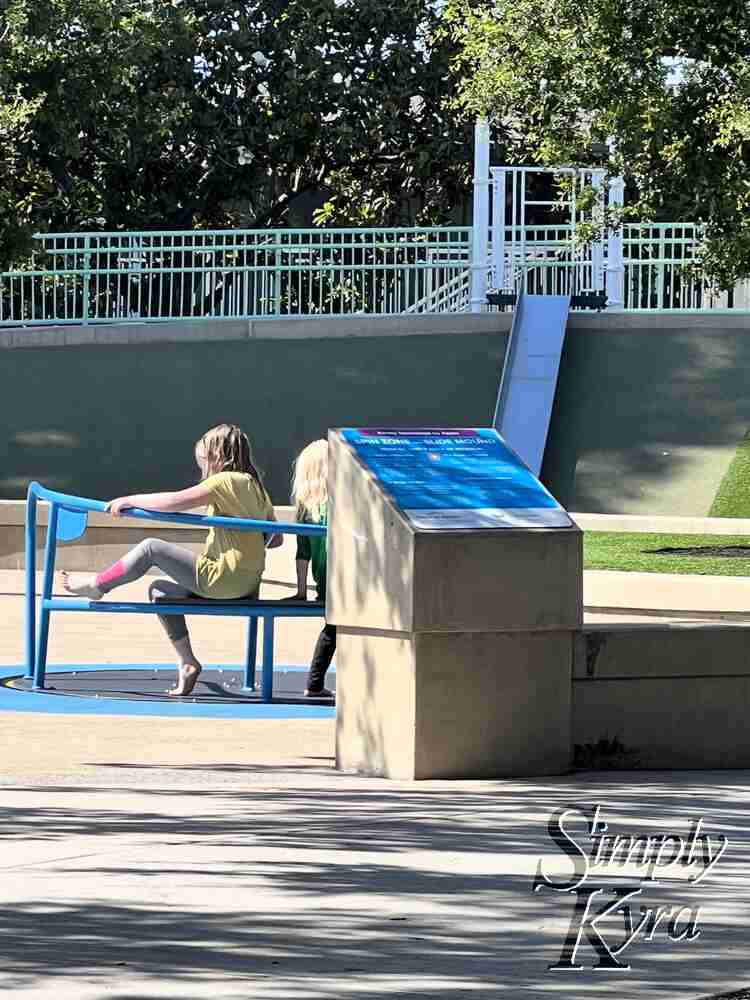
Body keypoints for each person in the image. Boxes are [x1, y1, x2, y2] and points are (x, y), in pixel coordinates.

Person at [62, 423, 281, 696]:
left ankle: (98, 584)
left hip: (221, 578)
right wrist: (246, 546)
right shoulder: (257, 488)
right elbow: (278, 538)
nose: (202, 466)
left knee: (151, 548)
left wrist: (129, 499)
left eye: (203, 459)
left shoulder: (225, 480)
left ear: (217, 456)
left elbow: (176, 501)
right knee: (160, 592)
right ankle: (187, 662)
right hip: (247, 586)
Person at [288, 438, 335, 698]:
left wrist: (301, 589)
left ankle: (315, 683)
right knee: (335, 630)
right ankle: (314, 683)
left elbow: (302, 553)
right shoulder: (340, 503)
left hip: (324, 581)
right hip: (343, 582)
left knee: (333, 628)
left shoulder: (305, 509)